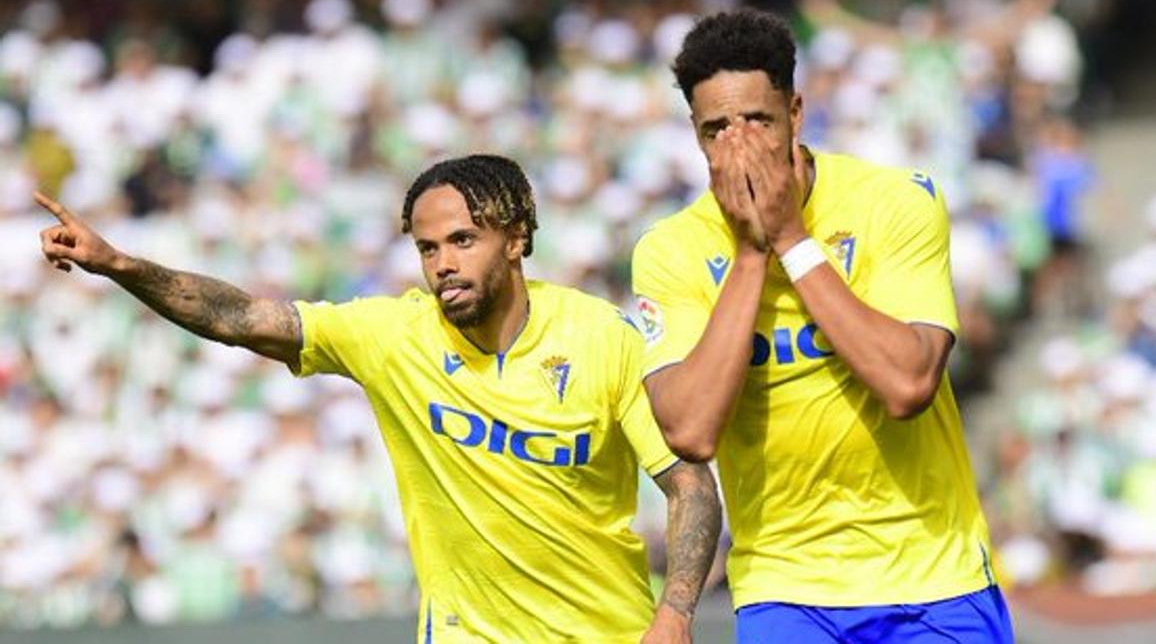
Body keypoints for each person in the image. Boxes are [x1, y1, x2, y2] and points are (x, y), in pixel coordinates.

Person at [36, 153, 721, 643]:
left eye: (462, 241)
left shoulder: (602, 337)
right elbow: (242, 318)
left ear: (515, 241)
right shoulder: (393, 334)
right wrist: (121, 265)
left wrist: (676, 614)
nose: (442, 264)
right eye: (427, 249)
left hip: (610, 631)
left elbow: (689, 484)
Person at [631, 9, 1013, 642]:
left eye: (758, 120)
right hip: (788, 589)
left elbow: (909, 384)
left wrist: (790, 237)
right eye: (717, 129)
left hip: (934, 577)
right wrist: (753, 253)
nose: (740, 144)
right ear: (696, 139)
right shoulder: (669, 251)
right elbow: (691, 431)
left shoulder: (894, 203)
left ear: (796, 113)